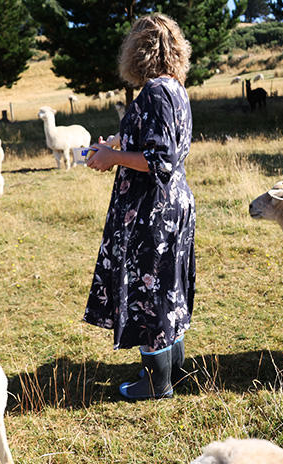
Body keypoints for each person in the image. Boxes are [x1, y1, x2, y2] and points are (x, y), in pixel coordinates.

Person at [84, 13, 195, 400]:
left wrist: (112, 158)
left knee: (150, 292)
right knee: (167, 287)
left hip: (152, 211)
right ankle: (173, 369)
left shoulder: (155, 92)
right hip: (172, 204)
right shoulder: (175, 88)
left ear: (138, 51)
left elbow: (160, 160)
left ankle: (155, 382)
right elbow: (157, 140)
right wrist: (115, 144)